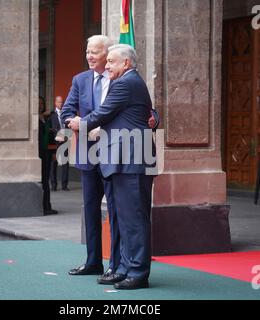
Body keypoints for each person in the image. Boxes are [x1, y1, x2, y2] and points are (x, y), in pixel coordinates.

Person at [67, 44, 156, 290]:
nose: (106, 66)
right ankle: (127, 268)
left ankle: (137, 273)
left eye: (111, 62)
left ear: (126, 63)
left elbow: (102, 113)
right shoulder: (128, 81)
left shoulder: (125, 83)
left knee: (134, 219)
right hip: (124, 159)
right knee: (127, 219)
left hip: (131, 159)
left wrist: (79, 122)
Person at [61, 35, 120, 279]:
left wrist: (154, 120)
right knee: (91, 209)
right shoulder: (80, 80)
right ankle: (93, 261)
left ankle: (116, 265)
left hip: (115, 154)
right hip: (88, 154)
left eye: (94, 51)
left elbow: (144, 110)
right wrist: (76, 124)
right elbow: (66, 111)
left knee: (116, 211)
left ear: (108, 54)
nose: (89, 56)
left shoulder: (120, 79)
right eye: (87, 51)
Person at [38, 96, 58, 215]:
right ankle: (42, 206)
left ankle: (47, 206)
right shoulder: (34, 119)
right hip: (38, 153)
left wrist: (54, 152)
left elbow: (51, 135)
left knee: (46, 179)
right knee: (42, 180)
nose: (40, 105)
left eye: (41, 103)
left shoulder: (47, 119)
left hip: (47, 153)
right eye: (38, 103)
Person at [50, 96, 70, 191]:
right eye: (59, 102)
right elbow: (51, 129)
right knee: (53, 164)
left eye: (62, 102)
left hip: (65, 142)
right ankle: (54, 185)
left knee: (65, 164)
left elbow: (68, 127)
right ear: (55, 103)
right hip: (55, 143)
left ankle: (64, 185)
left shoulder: (65, 114)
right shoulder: (51, 115)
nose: (61, 104)